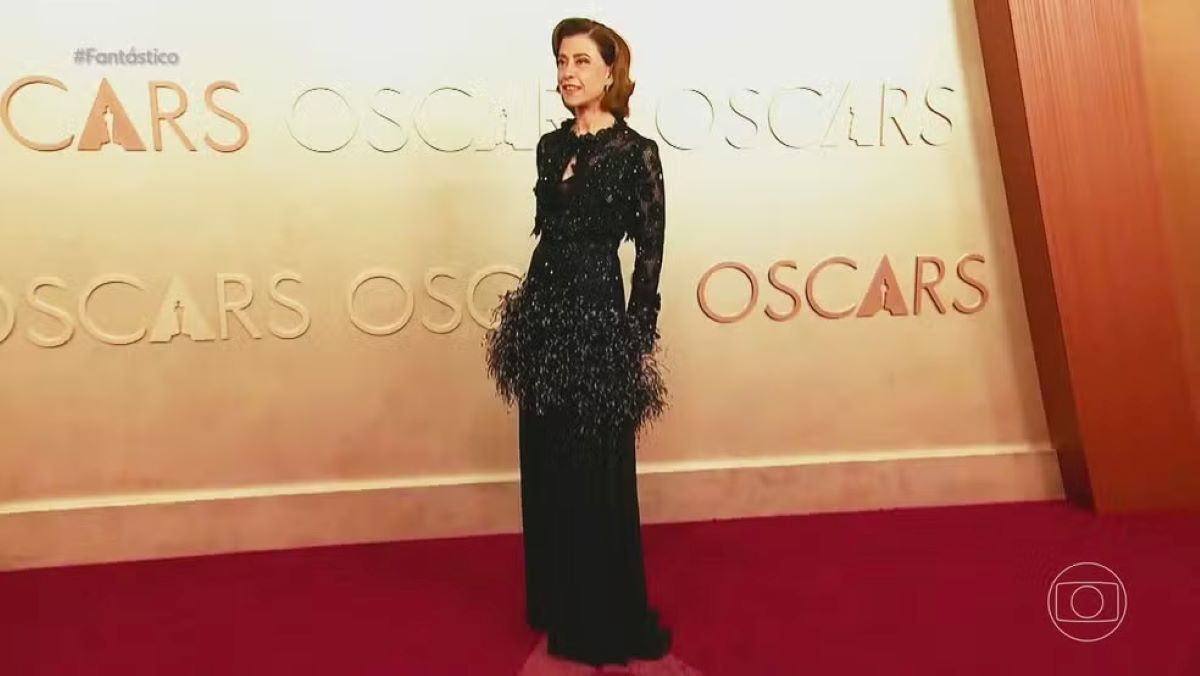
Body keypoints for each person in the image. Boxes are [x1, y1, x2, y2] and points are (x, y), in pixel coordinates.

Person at [483, 16, 673, 669]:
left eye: (582, 61)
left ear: (611, 72)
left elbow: (650, 249)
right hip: (543, 310)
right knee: (546, 457)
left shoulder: (636, 152)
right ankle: (558, 601)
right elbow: (548, 231)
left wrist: (635, 333)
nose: (568, 73)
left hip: (596, 311)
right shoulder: (547, 146)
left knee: (593, 463)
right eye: (562, 61)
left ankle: (600, 614)